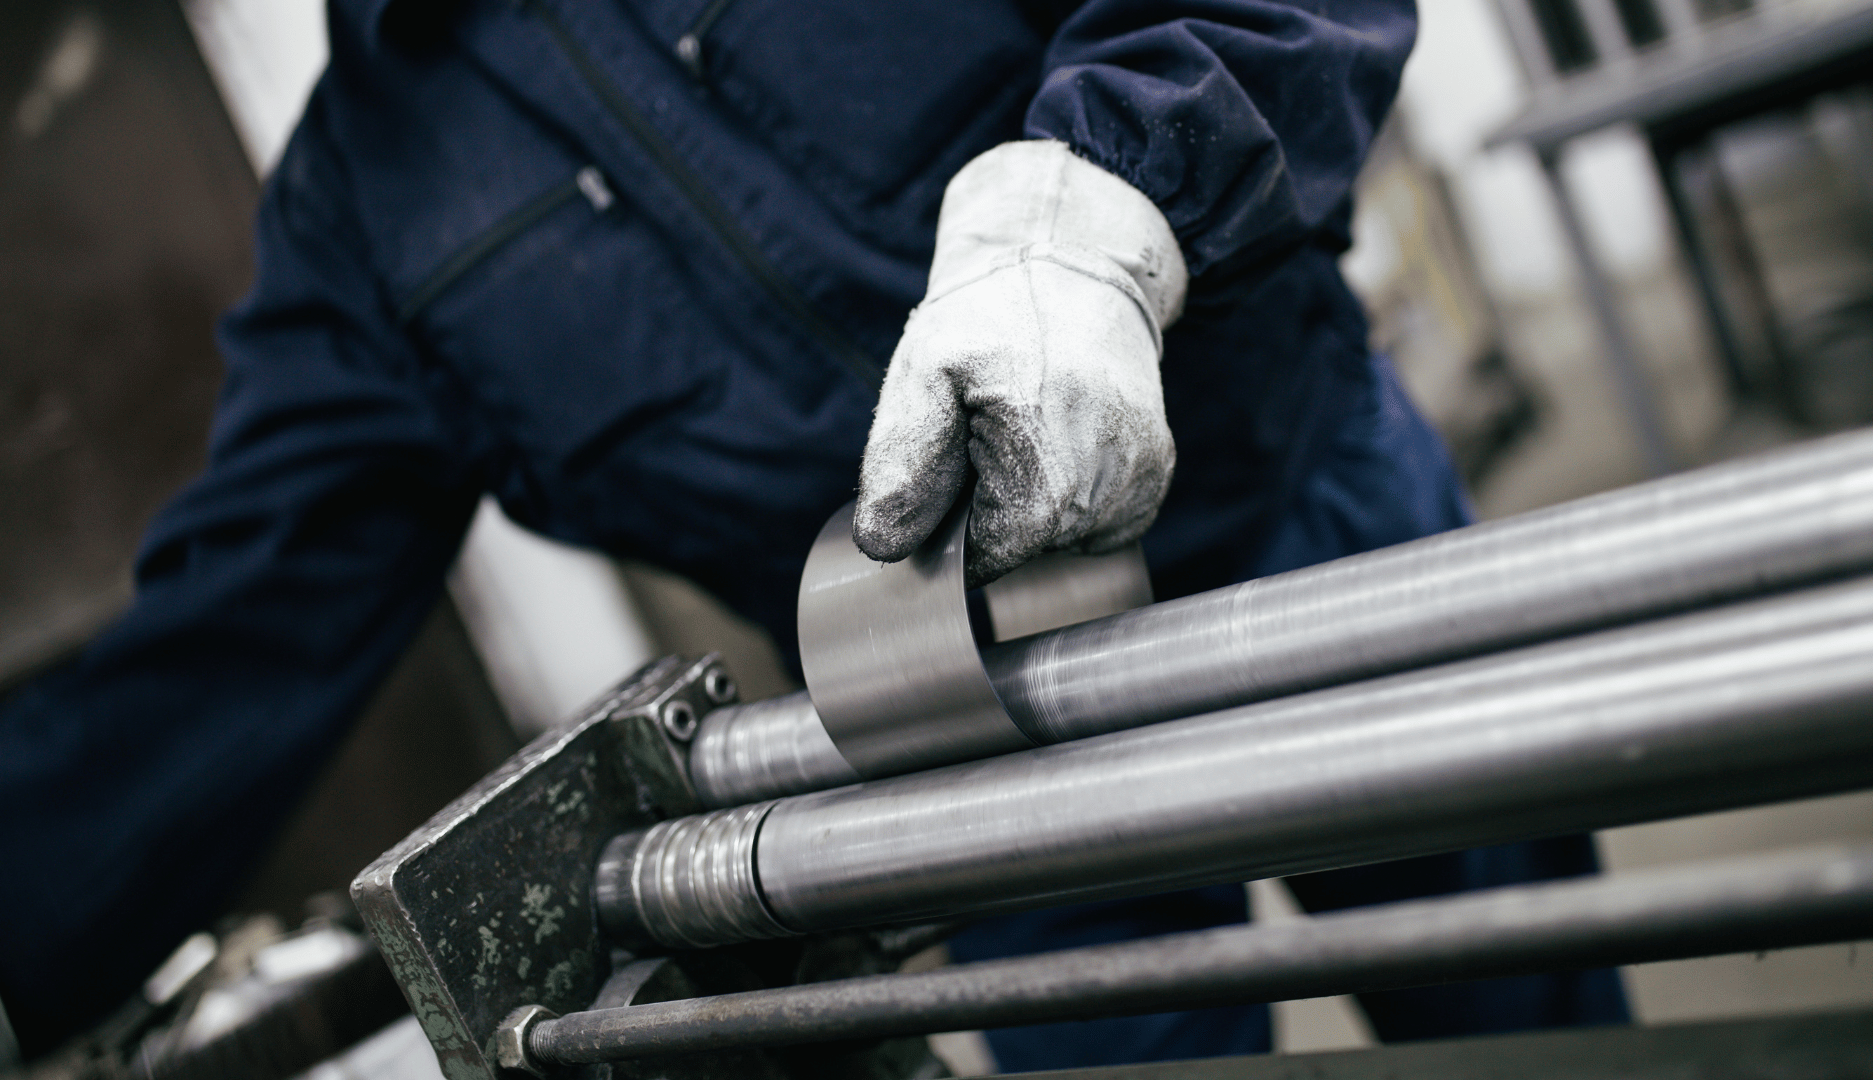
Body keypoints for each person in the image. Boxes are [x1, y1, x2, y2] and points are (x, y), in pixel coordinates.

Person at [0, 0, 1626, 1065]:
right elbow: (233, 632)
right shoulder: (368, 210)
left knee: (1535, 1021)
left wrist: (1099, 216)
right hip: (967, 752)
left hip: (1308, 546)